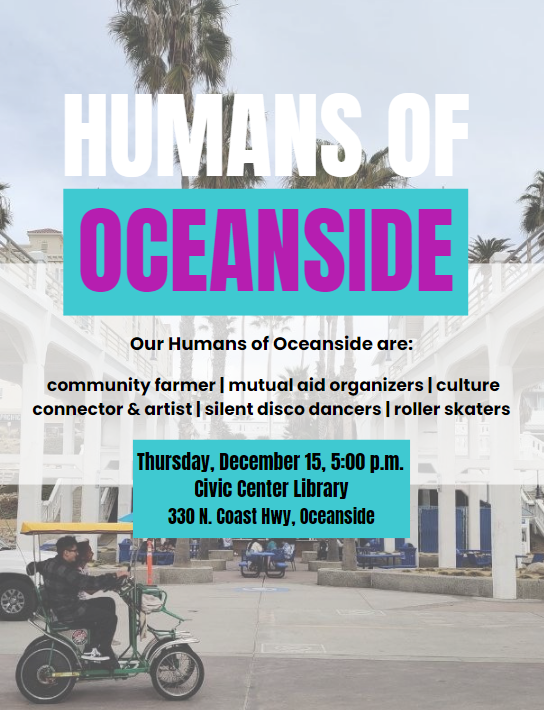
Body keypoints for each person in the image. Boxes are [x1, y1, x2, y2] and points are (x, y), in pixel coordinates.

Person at [28, 535, 128, 665]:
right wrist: (115, 575)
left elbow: (32, 567)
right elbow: (89, 583)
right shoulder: (66, 571)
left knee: (108, 602)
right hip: (70, 611)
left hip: (63, 607)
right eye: (75, 551)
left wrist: (31, 567)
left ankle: (98, 644)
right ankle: (99, 650)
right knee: (110, 618)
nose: (77, 553)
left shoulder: (49, 563)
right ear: (66, 553)